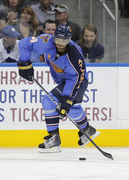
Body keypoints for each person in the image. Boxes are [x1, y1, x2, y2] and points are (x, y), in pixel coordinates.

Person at [17, 24, 99, 152]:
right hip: (66, 80)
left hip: (78, 81)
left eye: (64, 40)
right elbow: (23, 43)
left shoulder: (74, 55)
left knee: (53, 102)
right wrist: (24, 64)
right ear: (54, 37)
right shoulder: (45, 42)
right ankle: (87, 130)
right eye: (58, 39)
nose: (61, 43)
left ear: (69, 40)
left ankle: (55, 139)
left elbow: (75, 78)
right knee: (72, 108)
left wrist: (67, 98)